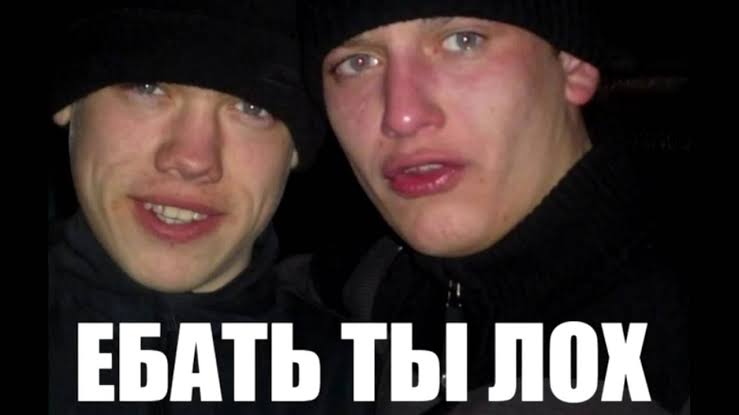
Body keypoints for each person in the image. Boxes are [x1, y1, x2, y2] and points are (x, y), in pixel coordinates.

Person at [293, 1, 690, 413]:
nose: (403, 115)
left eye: (463, 41)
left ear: (571, 65)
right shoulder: (371, 279)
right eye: (357, 63)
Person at [48, 1, 365, 413]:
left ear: (295, 150)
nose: (192, 159)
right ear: (69, 100)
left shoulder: (365, 388)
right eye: (148, 87)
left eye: (253, 108)